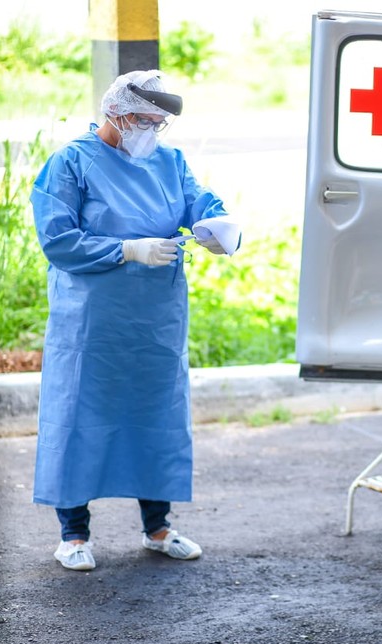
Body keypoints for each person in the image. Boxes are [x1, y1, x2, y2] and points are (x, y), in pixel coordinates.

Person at [30, 70, 235, 571]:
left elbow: (197, 199)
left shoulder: (169, 161)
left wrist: (216, 223)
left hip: (154, 321)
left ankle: (158, 527)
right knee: (80, 415)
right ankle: (73, 535)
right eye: (145, 120)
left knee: (154, 416)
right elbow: (57, 239)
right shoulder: (71, 162)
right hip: (92, 322)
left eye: (159, 123)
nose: (153, 130)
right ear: (116, 114)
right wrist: (126, 250)